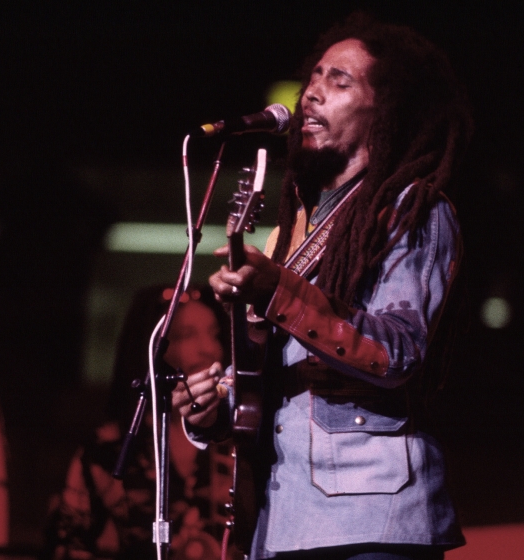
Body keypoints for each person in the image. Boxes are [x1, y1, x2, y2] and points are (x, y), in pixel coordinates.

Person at [174, 14, 472, 560]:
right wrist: (218, 405)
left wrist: (277, 293)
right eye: (314, 77)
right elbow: (284, 378)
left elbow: (396, 350)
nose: (312, 94)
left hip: (371, 519)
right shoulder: (298, 226)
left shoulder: (411, 210)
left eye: (340, 81)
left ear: (386, 111)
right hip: (286, 520)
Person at [44, 285, 233, 560]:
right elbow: (69, 543)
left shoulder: (238, 439)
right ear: (153, 350)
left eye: (214, 334)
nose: (208, 349)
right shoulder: (108, 449)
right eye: (187, 335)